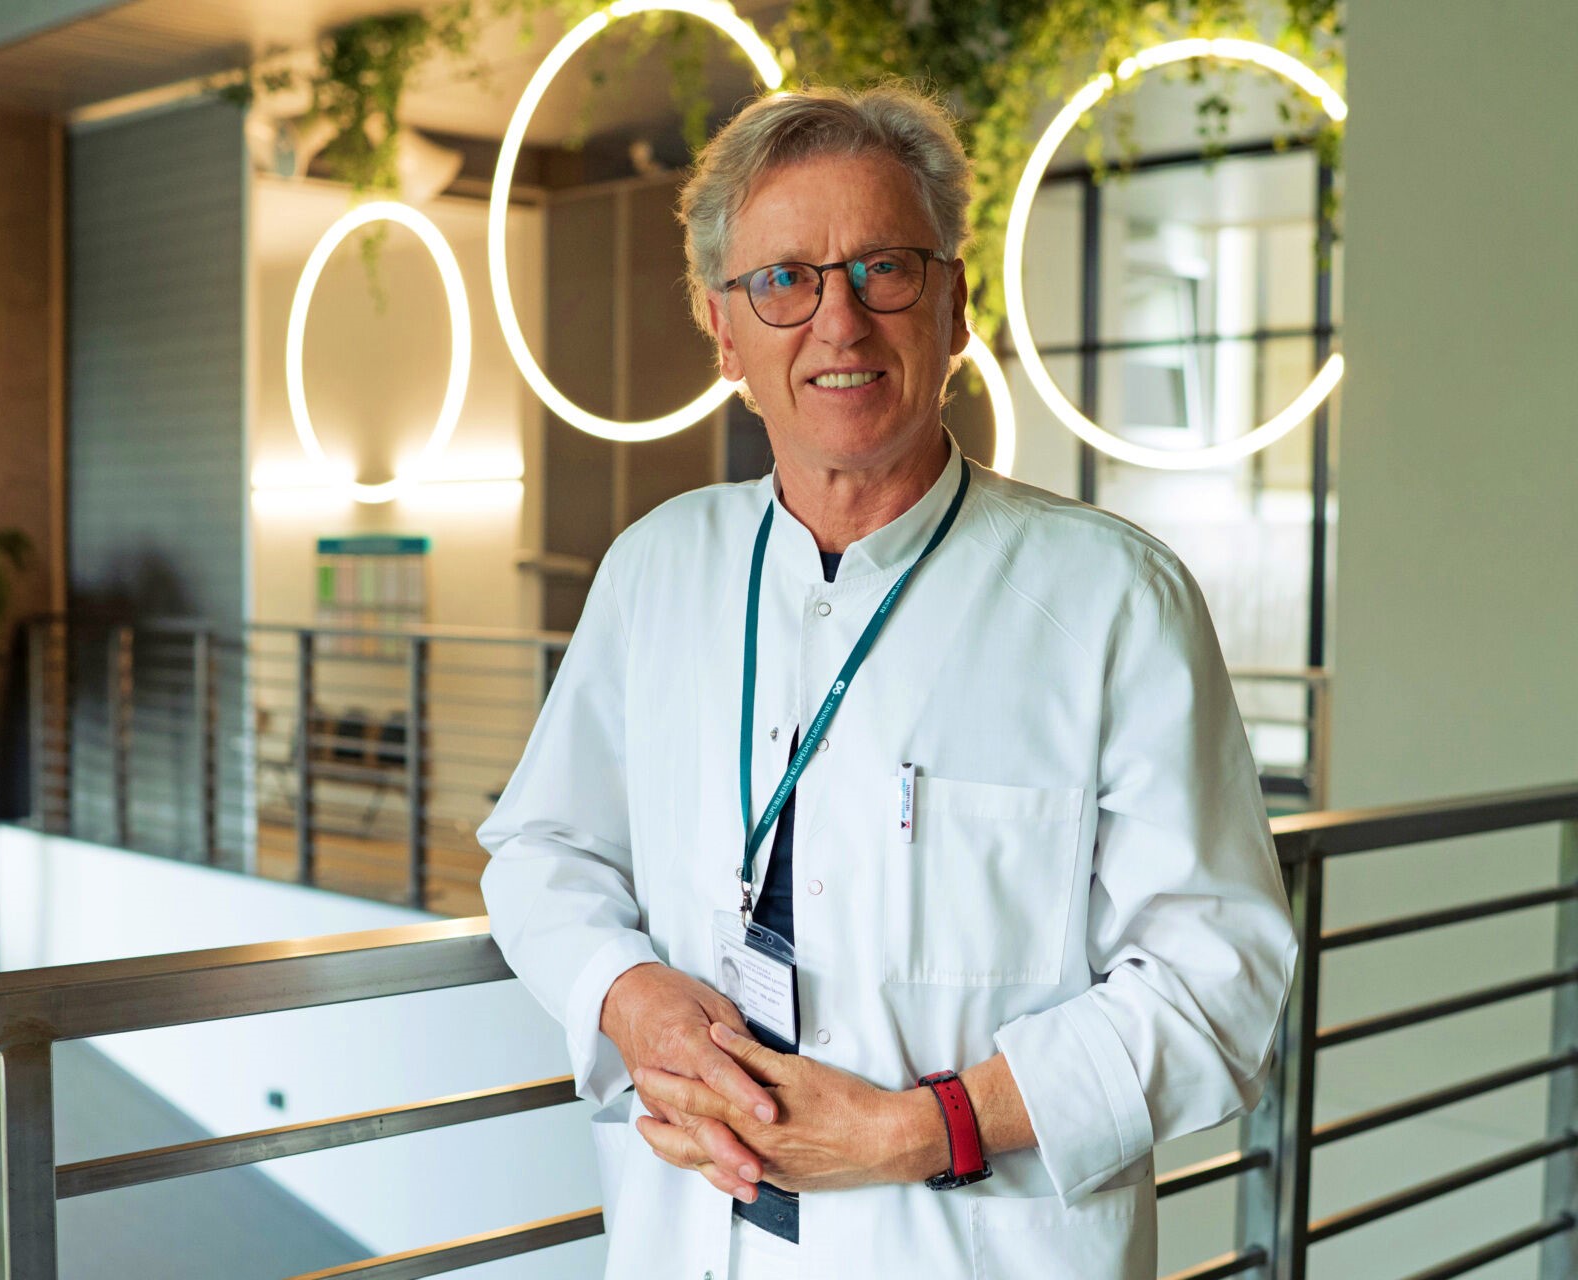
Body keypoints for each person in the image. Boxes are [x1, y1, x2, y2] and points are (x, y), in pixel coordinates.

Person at [478, 82, 1297, 1280]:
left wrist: (920, 1129)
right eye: (784, 280)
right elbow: (540, 849)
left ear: (955, 304)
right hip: (689, 1242)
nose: (839, 322)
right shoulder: (655, 568)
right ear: (724, 331)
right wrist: (628, 991)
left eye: (884, 270)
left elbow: (1216, 982)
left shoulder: (1115, 598)